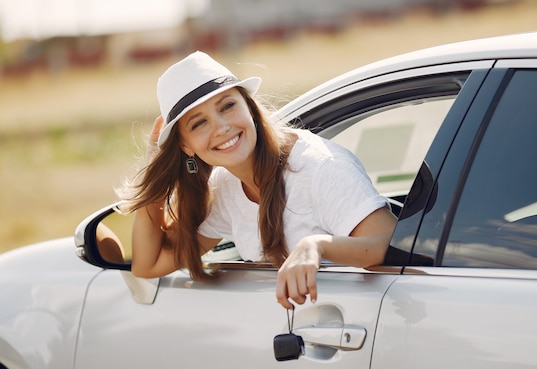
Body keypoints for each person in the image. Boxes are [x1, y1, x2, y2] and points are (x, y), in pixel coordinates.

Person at [119, 51, 396, 309]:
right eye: (199, 123)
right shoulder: (224, 188)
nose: (221, 127)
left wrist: (315, 245)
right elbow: (148, 266)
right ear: (186, 146)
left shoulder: (319, 167)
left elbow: (391, 241)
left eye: (227, 106)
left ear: (249, 107)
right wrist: (155, 169)